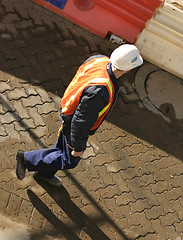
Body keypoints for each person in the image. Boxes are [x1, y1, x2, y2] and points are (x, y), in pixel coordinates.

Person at [16, 44, 143, 187]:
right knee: (69, 158)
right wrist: (78, 146)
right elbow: (81, 121)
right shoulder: (100, 91)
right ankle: (27, 159)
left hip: (69, 109)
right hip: (72, 121)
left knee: (60, 149)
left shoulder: (99, 59)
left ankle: (44, 174)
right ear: (128, 68)